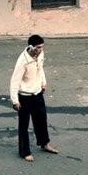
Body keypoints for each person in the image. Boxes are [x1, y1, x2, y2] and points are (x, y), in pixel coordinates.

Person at [10, 34, 59, 162]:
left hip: (37, 93)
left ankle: (44, 143)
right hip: (25, 96)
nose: (41, 49)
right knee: (24, 125)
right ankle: (24, 152)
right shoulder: (23, 61)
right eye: (38, 47)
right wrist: (15, 101)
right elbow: (14, 81)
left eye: (42, 47)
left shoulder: (40, 54)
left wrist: (43, 82)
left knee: (41, 119)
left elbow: (40, 69)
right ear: (31, 47)